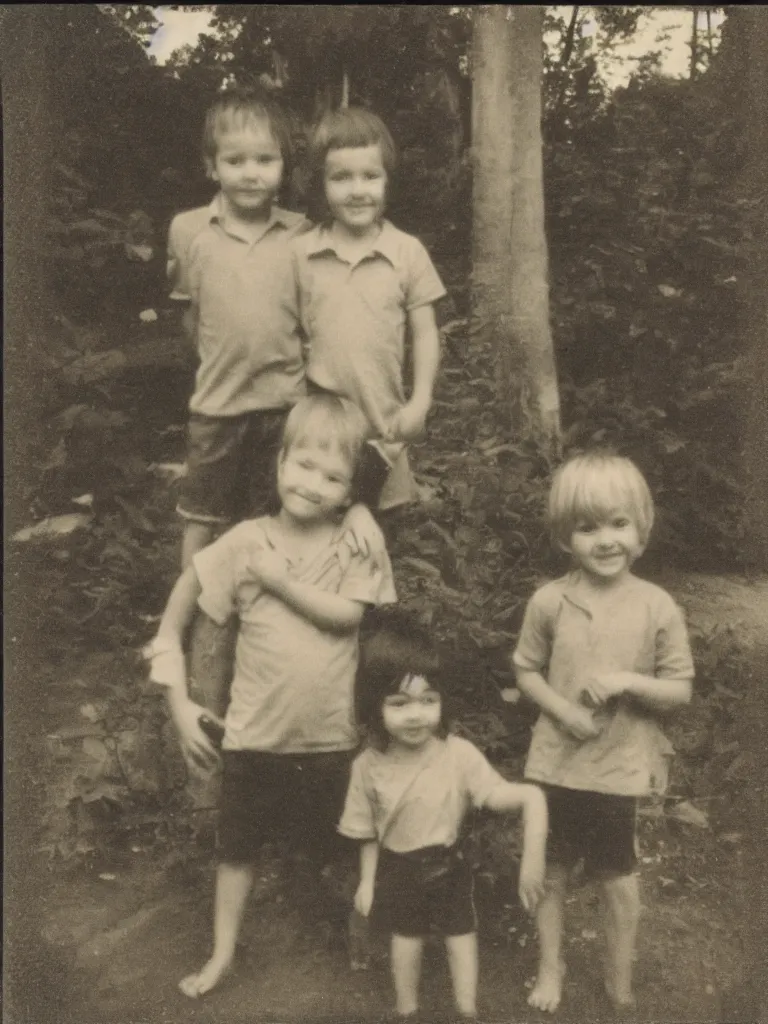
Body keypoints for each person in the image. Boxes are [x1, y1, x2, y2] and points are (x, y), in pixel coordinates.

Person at [146, 394, 397, 998]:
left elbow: (346, 618)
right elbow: (179, 606)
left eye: (333, 477)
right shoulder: (245, 541)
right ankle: (222, 953)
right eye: (303, 465)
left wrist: (281, 581)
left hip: (329, 739)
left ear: (349, 492)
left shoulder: (355, 542)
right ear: (280, 462)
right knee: (235, 854)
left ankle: (363, 931)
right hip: (254, 738)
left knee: (351, 844)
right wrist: (178, 698)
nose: (313, 484)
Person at [512, 450, 695, 1015]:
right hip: (557, 763)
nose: (605, 540)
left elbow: (679, 689)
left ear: (641, 529)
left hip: (618, 765)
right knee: (553, 870)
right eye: (586, 527)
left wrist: (622, 681)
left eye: (618, 524)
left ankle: (620, 978)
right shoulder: (550, 601)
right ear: (565, 538)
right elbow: (524, 671)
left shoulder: (656, 605)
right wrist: (562, 712)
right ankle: (551, 965)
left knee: (618, 877)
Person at [339, 615, 548, 1023]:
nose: (415, 715)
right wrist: (367, 881)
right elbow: (365, 831)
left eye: (428, 701)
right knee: (406, 937)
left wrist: (532, 833)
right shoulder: (368, 765)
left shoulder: (459, 754)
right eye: (399, 704)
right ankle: (407, 1009)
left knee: (461, 935)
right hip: (399, 866)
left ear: (443, 703)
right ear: (374, 707)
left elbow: (505, 794)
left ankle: (467, 1009)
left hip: (450, 864)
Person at [167, 86, 309, 568]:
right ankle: (191, 611)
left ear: (283, 167)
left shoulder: (302, 234)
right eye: (235, 160)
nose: (251, 172)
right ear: (212, 166)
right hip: (217, 404)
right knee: (201, 516)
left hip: (283, 404)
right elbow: (193, 318)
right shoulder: (188, 230)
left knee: (271, 514)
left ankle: (263, 609)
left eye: (265, 160)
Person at [293, 106, 446, 512]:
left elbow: (425, 332)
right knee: (318, 521)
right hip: (319, 428)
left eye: (370, 176)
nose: (357, 189)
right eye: (341, 177)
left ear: (387, 181)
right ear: (321, 184)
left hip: (385, 426)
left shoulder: (406, 252)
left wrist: (421, 401)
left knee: (378, 531)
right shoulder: (303, 253)